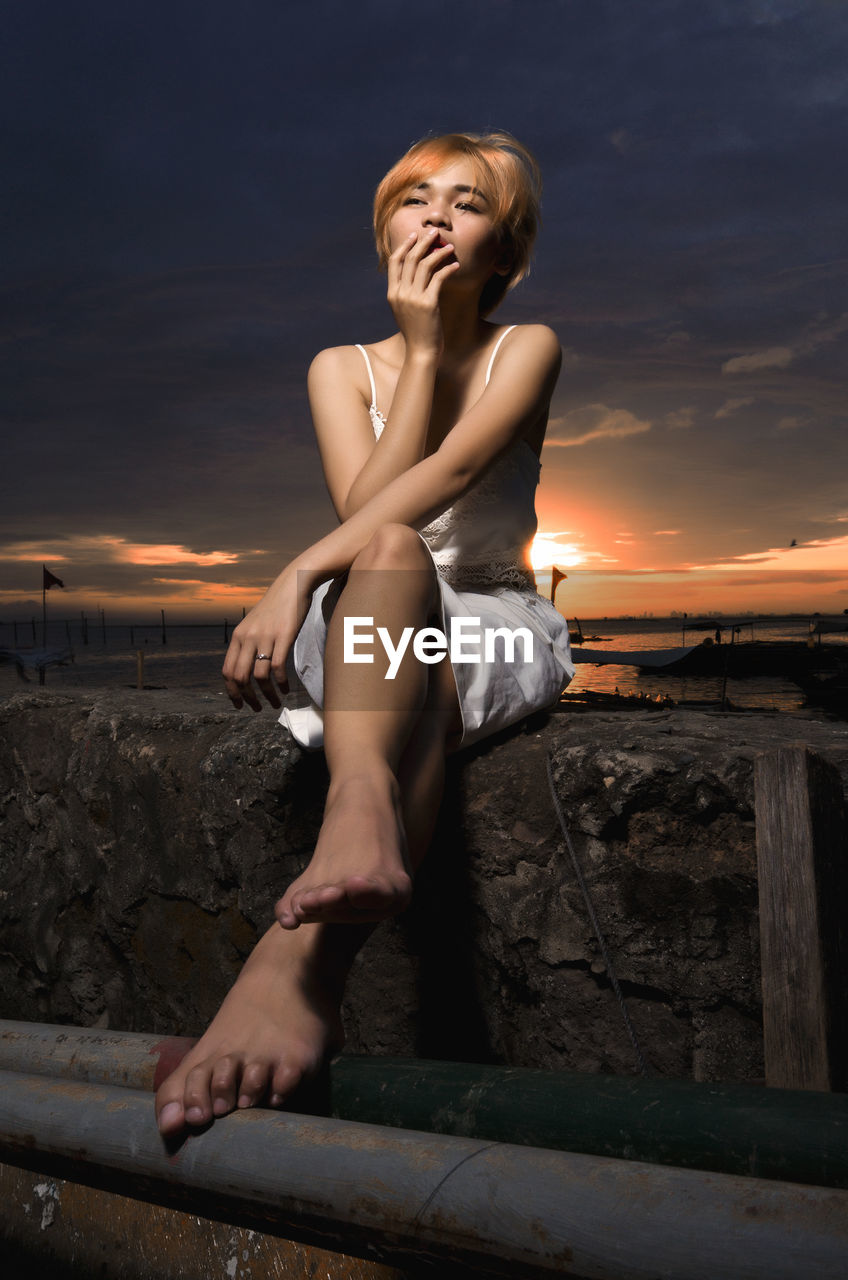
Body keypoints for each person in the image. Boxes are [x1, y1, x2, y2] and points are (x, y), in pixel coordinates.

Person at [155, 131, 574, 1135]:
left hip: (492, 622)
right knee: (388, 558)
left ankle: (302, 959)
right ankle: (353, 834)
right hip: (367, 616)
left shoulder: (527, 347)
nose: (433, 215)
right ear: (383, 226)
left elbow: (451, 476)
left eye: (466, 202)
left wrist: (295, 568)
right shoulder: (338, 366)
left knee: (408, 624)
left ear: (503, 251)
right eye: (412, 196)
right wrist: (417, 351)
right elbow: (374, 512)